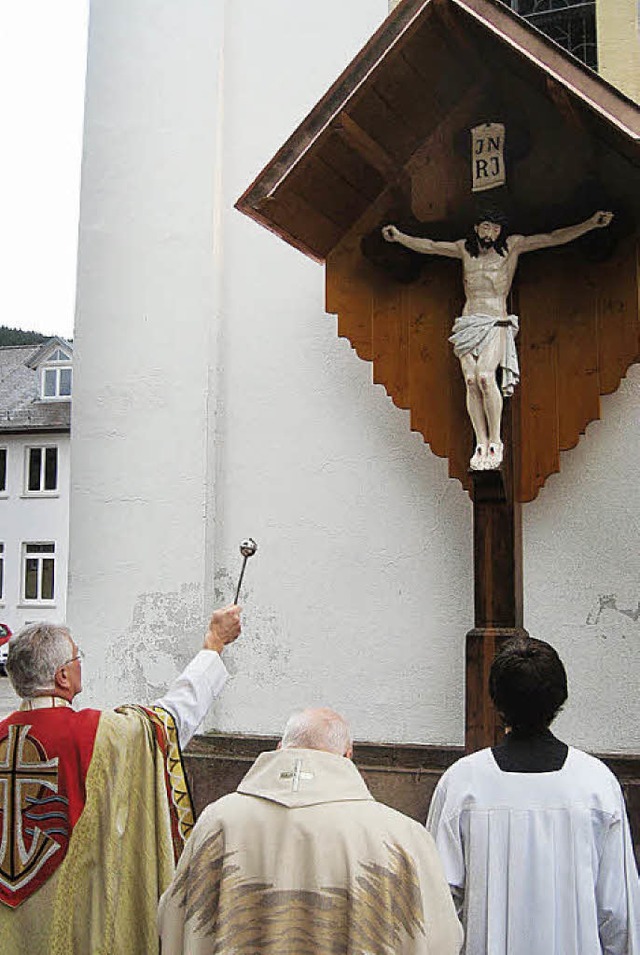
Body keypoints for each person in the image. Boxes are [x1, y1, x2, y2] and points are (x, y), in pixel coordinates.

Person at [0, 604, 241, 955]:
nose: (80, 662)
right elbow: (170, 719)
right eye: (77, 657)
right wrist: (214, 645)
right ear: (63, 677)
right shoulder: (101, 735)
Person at [158, 706, 463, 954]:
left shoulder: (218, 821)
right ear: (348, 756)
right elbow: (442, 937)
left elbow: (172, 920)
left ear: (280, 749)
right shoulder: (402, 837)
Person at [426, 636, 640, 955]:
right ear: (560, 699)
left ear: (496, 702)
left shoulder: (463, 783)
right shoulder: (596, 784)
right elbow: (618, 910)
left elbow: (438, 902)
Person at [382, 210, 613, 470]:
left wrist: (590, 223)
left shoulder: (512, 247)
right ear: (476, 227)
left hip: (495, 322)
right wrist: (400, 237)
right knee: (470, 381)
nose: (490, 233)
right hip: (469, 322)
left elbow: (552, 238)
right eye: (486, 227)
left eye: (495, 229)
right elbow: (431, 246)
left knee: (484, 376)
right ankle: (480, 442)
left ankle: (495, 441)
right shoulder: (464, 250)